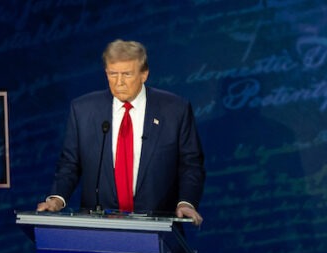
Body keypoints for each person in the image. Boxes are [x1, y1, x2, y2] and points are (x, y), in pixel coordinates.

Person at [37, 39, 205, 226]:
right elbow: (70, 164)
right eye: (112, 74)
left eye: (126, 74)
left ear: (144, 74)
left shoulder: (174, 110)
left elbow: (191, 164)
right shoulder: (83, 110)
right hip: (98, 229)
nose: (119, 83)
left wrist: (186, 202)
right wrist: (57, 199)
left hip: (158, 227)